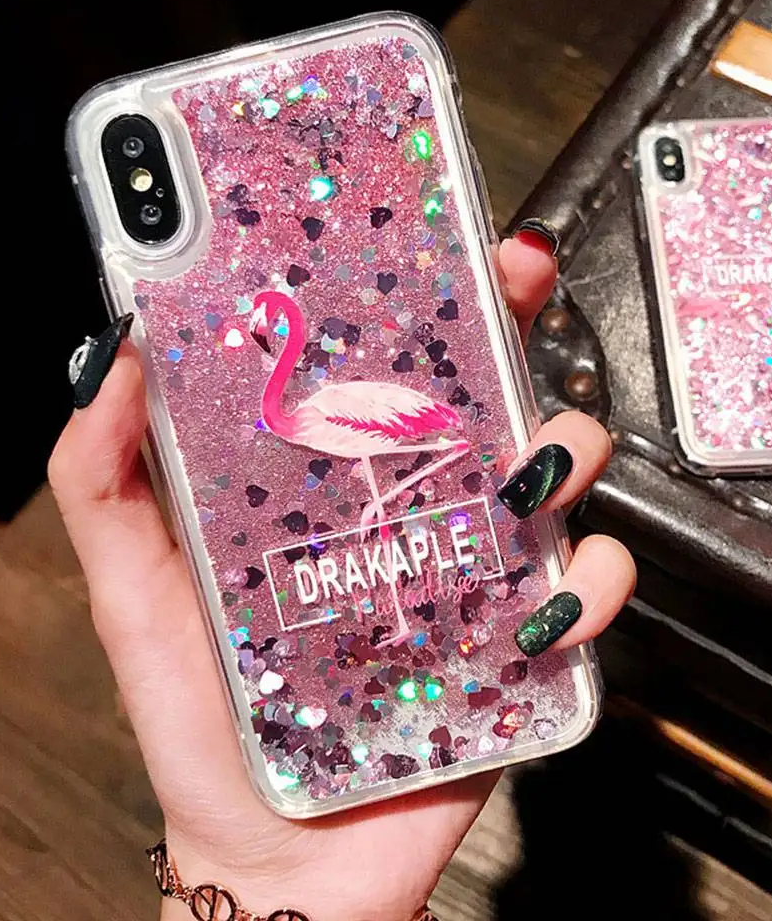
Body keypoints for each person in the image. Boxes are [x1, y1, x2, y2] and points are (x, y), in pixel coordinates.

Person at [48, 226, 637, 921]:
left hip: (407, 432)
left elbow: (446, 436)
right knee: (375, 518)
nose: (265, 339)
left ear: (283, 326)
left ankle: (400, 614)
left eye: (270, 327)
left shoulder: (329, 407)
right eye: (263, 329)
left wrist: (388, 500)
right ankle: (397, 622)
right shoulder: (303, 414)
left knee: (392, 508)